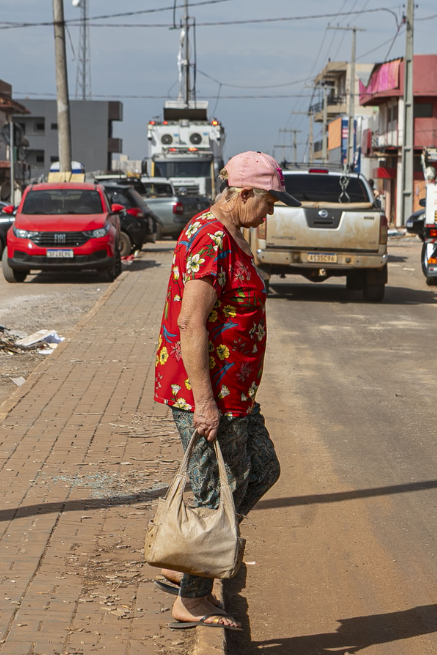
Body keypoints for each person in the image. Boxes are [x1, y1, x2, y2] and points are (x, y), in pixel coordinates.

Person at [151, 151, 300, 631]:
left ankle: (191, 556)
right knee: (218, 492)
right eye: (268, 201)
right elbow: (191, 324)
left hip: (236, 394)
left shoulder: (232, 234)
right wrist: (206, 404)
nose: (271, 211)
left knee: (263, 471)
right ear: (243, 194)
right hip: (207, 393)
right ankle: (192, 597)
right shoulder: (210, 239)